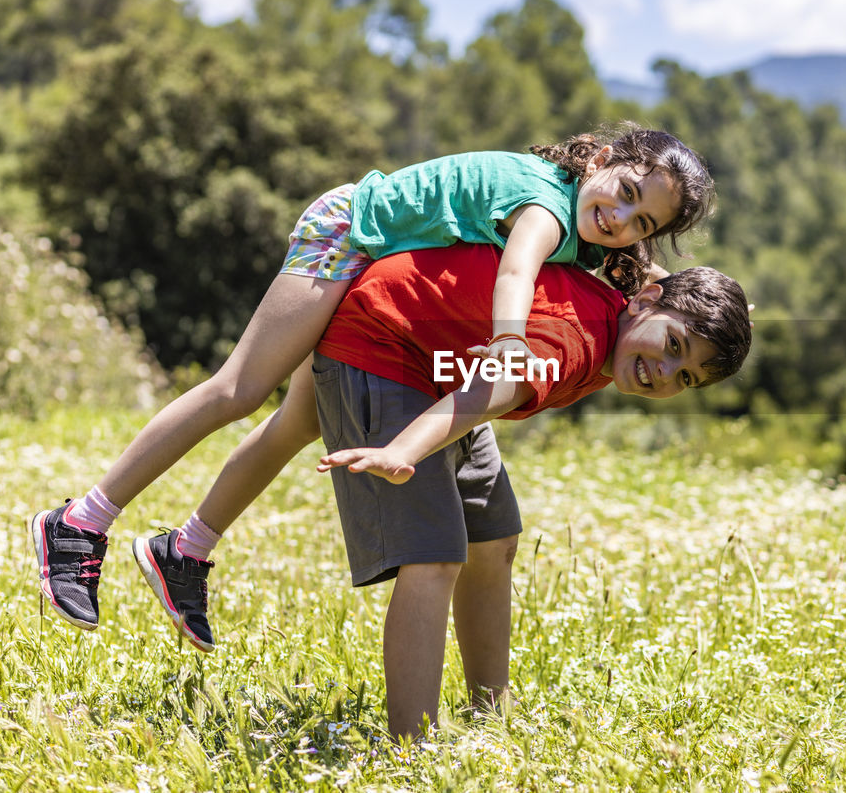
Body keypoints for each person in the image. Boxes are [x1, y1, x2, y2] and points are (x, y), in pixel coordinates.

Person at [31, 125, 715, 641]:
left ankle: (185, 549)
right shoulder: (546, 208)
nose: (622, 219)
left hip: (382, 287)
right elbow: (516, 271)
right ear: (600, 161)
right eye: (625, 194)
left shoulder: (595, 225)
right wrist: (509, 341)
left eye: (643, 222)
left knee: (297, 422)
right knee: (240, 388)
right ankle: (80, 521)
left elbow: (626, 270)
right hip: (348, 234)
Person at [299, 241, 749, 739]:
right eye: (674, 346)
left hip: (436, 363)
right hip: (382, 344)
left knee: (492, 539)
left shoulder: (626, 315)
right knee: (433, 556)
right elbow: (490, 388)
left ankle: (490, 718)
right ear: (645, 302)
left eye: (683, 376)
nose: (665, 372)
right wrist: (403, 450)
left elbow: (658, 284)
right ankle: (412, 748)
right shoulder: (577, 342)